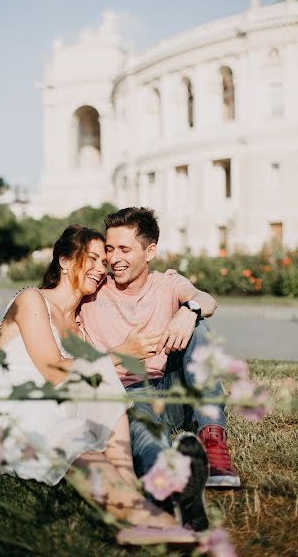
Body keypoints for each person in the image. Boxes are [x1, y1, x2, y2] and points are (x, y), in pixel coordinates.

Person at [0, 225, 196, 545]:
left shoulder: (79, 327)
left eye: (105, 262)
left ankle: (130, 486)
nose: (102, 269)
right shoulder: (31, 299)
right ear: (64, 261)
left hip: (61, 408)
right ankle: (143, 518)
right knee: (75, 438)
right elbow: (54, 370)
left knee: (105, 387)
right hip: (17, 413)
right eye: (93, 259)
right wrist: (121, 353)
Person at [78, 207, 241, 507]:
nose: (114, 259)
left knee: (197, 323)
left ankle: (214, 442)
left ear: (149, 250)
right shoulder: (93, 291)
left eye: (125, 249)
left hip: (172, 388)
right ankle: (168, 478)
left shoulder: (167, 282)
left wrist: (187, 311)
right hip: (129, 392)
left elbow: (208, 300)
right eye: (110, 249)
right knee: (146, 436)